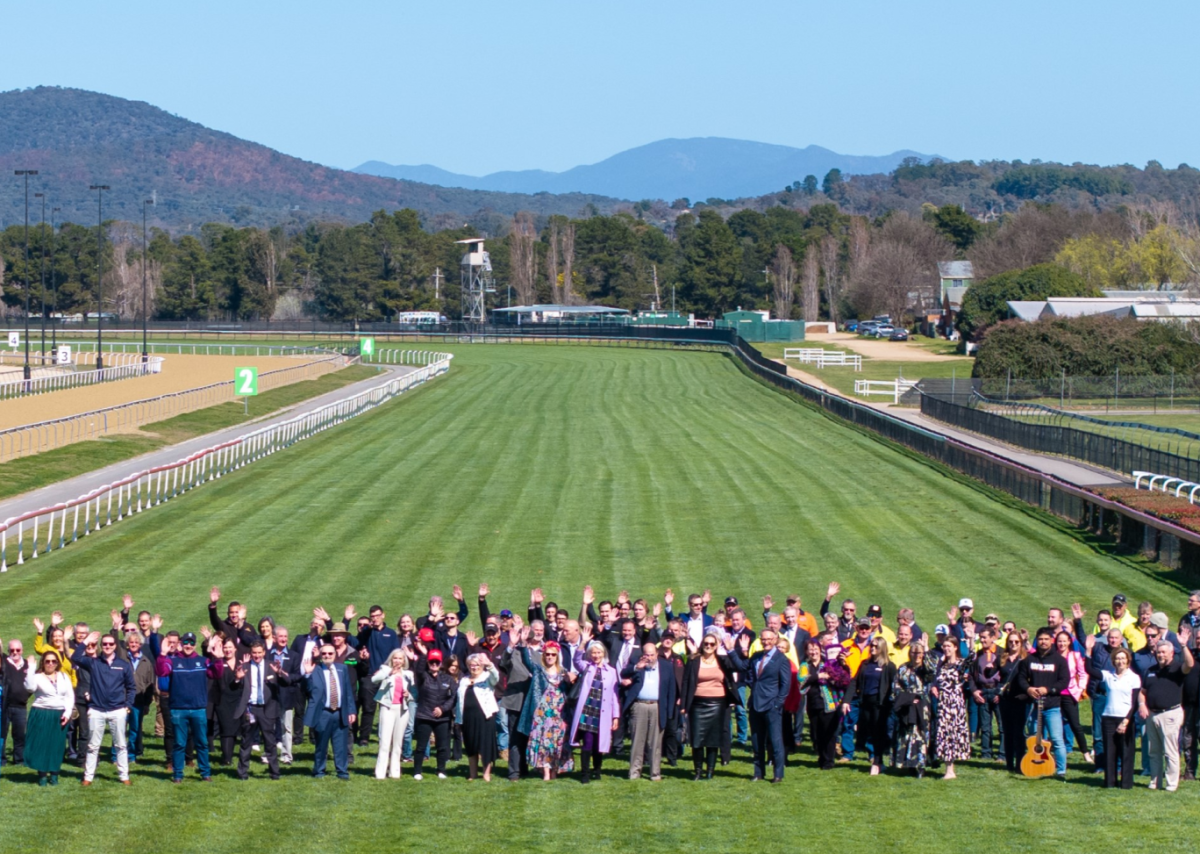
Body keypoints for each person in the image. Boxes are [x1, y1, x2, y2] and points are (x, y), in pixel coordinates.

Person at [70, 631, 136, 786]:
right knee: (93, 746)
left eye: (110, 644)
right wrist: (85, 642)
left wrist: (128, 706)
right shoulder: (94, 663)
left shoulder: (123, 665)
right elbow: (75, 657)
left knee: (120, 744)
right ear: (101, 646)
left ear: (115, 646)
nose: (107, 646)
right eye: (104, 644)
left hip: (117, 709)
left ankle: (124, 776)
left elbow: (131, 687)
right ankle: (88, 777)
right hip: (96, 709)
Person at [156, 631, 223, 783]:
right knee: (179, 743)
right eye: (186, 642)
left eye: (192, 643)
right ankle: (178, 774)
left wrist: (218, 658)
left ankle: (205, 773)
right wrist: (162, 654)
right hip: (178, 709)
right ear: (180, 644)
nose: (188, 645)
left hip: (198, 709)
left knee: (202, 743)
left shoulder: (203, 661)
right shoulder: (172, 661)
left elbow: (216, 674)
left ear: (195, 645)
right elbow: (161, 671)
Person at [727, 628, 791, 782]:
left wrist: (777, 704)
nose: (766, 642)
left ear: (775, 639)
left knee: (775, 741)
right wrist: (730, 650)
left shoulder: (782, 660)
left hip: (771, 705)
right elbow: (742, 667)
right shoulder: (756, 656)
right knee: (756, 741)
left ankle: (778, 774)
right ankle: (758, 773)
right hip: (755, 704)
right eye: (763, 639)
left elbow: (785, 685)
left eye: (769, 639)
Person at [1139, 625, 1195, 792]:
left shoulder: (1178, 668)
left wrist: (1184, 645)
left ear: (1171, 653)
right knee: (1153, 751)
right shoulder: (1151, 670)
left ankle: (1171, 783)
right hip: (1152, 715)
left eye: (1164, 652)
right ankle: (1155, 782)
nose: (1160, 655)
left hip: (1170, 713)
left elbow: (1190, 664)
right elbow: (1143, 692)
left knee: (1170, 751)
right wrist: (1142, 704)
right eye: (1158, 652)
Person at [1084, 635, 1140, 789]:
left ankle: (1126, 783)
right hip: (1108, 717)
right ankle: (1110, 782)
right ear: (1113, 661)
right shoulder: (1108, 676)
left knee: (1126, 752)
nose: (1120, 661)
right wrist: (1088, 651)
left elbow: (1134, 702)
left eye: (1123, 658)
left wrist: (1126, 720)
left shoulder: (1134, 678)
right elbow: (1089, 669)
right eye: (1117, 658)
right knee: (1110, 751)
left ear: (1128, 661)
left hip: (1125, 719)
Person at [1015, 627, 1070, 780]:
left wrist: (1049, 689)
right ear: (1037, 641)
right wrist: (1029, 689)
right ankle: (1034, 767)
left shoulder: (1059, 660)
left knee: (1057, 740)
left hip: (1052, 706)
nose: (1043, 642)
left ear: (1052, 640)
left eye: (1046, 639)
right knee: (1034, 738)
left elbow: (1064, 681)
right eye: (1040, 639)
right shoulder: (1029, 659)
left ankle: (1060, 771)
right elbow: (1021, 678)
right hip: (1033, 707)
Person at [681, 633, 736, 779]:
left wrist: (731, 650)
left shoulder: (722, 661)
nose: (708, 646)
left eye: (712, 644)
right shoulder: (693, 660)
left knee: (713, 740)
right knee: (697, 740)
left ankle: (710, 771)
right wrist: (684, 704)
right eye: (706, 643)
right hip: (697, 704)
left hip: (718, 703)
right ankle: (698, 771)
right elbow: (686, 682)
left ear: (716, 645)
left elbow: (737, 668)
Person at [519, 637, 574, 780]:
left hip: (560, 711)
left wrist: (570, 681)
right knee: (543, 741)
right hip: (542, 711)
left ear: (557, 656)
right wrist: (524, 644)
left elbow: (571, 689)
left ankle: (555, 769)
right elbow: (527, 661)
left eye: (553, 654)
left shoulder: (564, 672)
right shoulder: (538, 670)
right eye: (547, 654)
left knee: (558, 740)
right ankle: (546, 772)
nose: (550, 657)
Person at [621, 641, 676, 781]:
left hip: (657, 706)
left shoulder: (666, 666)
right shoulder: (637, 663)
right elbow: (623, 673)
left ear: (657, 654)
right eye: (646, 655)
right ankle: (634, 772)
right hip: (639, 705)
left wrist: (669, 712)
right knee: (637, 740)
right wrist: (636, 667)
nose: (649, 658)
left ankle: (655, 773)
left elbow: (671, 689)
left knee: (655, 742)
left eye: (652, 655)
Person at [300, 643, 356, 780]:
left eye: (330, 653)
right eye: (324, 653)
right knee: (321, 745)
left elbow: (348, 692)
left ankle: (342, 771)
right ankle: (319, 770)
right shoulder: (315, 669)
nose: (327, 656)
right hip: (323, 713)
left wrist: (351, 711)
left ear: (335, 654)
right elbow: (307, 690)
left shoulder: (342, 669)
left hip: (339, 712)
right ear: (320, 654)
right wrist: (307, 675)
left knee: (341, 744)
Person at [568, 636, 621, 783]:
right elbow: (576, 660)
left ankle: (597, 770)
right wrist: (583, 642)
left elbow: (614, 696)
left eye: (599, 653)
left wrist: (615, 716)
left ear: (604, 654)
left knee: (600, 743)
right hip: (587, 711)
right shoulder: (587, 667)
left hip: (602, 712)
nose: (596, 656)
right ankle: (584, 774)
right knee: (588, 743)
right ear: (590, 654)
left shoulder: (611, 671)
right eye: (594, 653)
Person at [842, 636, 896, 775]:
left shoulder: (889, 666)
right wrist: (847, 700)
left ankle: (877, 762)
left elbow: (893, 686)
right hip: (865, 702)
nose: (872, 648)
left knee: (878, 733)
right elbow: (855, 682)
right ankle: (878, 761)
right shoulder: (865, 664)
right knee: (869, 732)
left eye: (876, 646)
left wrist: (891, 704)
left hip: (880, 705)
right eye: (871, 645)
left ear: (882, 648)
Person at [234, 641, 287, 781]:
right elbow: (234, 688)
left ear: (264, 653)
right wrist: (237, 680)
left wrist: (279, 673)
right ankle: (242, 773)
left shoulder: (272, 666)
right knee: (246, 743)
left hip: (267, 709)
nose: (256, 655)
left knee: (270, 743)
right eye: (254, 653)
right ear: (250, 653)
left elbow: (285, 683)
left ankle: (274, 772)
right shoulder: (244, 667)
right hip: (250, 709)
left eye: (259, 652)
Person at [22, 651, 74, 786]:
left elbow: (69, 696)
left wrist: (67, 713)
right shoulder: (37, 677)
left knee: (56, 744)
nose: (50, 664)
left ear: (57, 663)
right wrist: (31, 668)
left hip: (59, 714)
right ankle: (43, 775)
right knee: (42, 744)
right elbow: (29, 687)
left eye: (53, 661)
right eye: (47, 661)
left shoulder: (63, 676)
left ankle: (55, 774)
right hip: (41, 713)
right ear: (43, 663)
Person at [800, 639, 850, 770]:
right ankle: (821, 757)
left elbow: (840, 676)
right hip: (813, 704)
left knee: (829, 733)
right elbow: (801, 680)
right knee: (816, 734)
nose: (813, 651)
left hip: (829, 703)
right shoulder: (805, 665)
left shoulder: (828, 663)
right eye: (810, 649)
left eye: (815, 648)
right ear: (806, 651)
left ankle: (828, 760)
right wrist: (818, 676)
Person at [411, 648, 456, 780]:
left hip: (442, 717)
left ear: (441, 663)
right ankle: (417, 771)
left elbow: (453, 697)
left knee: (442, 746)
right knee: (421, 746)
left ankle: (441, 769)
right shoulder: (422, 676)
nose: (434, 665)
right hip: (424, 715)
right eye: (432, 662)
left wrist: (442, 709)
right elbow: (418, 669)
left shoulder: (448, 679)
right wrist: (424, 654)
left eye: (437, 662)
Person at [371, 649, 414, 780]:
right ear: (391, 659)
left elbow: (414, 692)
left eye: (400, 658)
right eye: (395, 658)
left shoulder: (408, 674)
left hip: (403, 709)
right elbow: (374, 679)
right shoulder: (385, 669)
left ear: (404, 661)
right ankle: (380, 772)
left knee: (398, 742)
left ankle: (395, 771)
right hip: (388, 708)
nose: (397, 661)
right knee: (384, 741)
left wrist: (409, 695)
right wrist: (389, 673)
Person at [457, 653, 500, 781]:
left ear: (481, 665)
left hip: (485, 717)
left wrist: (490, 665)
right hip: (468, 717)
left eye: (476, 665)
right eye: (471, 665)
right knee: (471, 745)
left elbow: (496, 677)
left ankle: (486, 774)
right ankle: (473, 774)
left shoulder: (487, 677)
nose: (474, 667)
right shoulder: (464, 680)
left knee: (485, 745)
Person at [932, 637, 970, 779]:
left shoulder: (961, 664)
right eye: (944, 646)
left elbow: (971, 660)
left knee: (953, 734)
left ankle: (950, 770)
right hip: (943, 703)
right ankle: (948, 768)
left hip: (955, 703)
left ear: (955, 647)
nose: (946, 648)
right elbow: (935, 679)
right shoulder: (941, 664)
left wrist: (970, 638)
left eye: (949, 646)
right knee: (944, 734)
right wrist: (934, 687)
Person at [892, 643, 932, 777]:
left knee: (920, 735)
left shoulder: (924, 668)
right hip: (907, 705)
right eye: (914, 653)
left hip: (922, 706)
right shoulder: (903, 668)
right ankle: (907, 763)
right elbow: (895, 687)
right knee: (906, 735)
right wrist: (908, 698)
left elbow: (932, 669)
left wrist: (927, 651)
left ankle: (920, 765)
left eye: (919, 653)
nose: (917, 656)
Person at [1055, 630, 1091, 762]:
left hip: (1069, 694)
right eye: (1059, 641)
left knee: (1075, 724)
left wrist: (1081, 688)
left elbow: (1083, 673)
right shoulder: (1053, 656)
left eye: (1064, 640)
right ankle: (1057, 753)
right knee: (1055, 725)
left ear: (1069, 642)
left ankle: (1085, 752)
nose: (1062, 643)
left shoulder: (1074, 656)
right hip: (1055, 695)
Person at [967, 626, 1002, 761]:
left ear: (993, 637)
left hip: (996, 691)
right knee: (985, 726)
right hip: (982, 692)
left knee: (1001, 725)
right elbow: (970, 675)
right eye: (980, 638)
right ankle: (986, 753)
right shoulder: (978, 654)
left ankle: (1002, 753)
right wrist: (974, 691)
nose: (982, 640)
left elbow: (1006, 675)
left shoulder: (1001, 653)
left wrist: (1000, 693)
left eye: (984, 637)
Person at [997, 632, 1029, 772]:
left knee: (1019, 733)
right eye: (1011, 641)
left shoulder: (1025, 659)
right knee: (1007, 732)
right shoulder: (1002, 659)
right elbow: (995, 677)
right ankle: (1009, 763)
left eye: (1016, 642)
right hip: (1005, 699)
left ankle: (1020, 763)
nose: (1013, 644)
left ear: (1020, 643)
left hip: (1020, 699)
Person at [212, 638, 243, 766]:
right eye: (225, 647)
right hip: (223, 701)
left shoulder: (241, 662)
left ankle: (228, 756)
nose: (228, 650)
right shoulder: (219, 663)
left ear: (235, 648)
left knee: (234, 728)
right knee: (226, 729)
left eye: (230, 647)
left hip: (238, 700)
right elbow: (219, 682)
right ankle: (226, 758)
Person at [2, 639, 31, 771]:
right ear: (8, 651)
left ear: (22, 650)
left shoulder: (28, 665)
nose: (15, 652)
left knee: (19, 735)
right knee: (2, 733)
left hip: (20, 706)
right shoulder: (4, 663)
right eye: (12, 650)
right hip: (4, 705)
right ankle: (1, 759)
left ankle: (19, 759)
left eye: (17, 650)